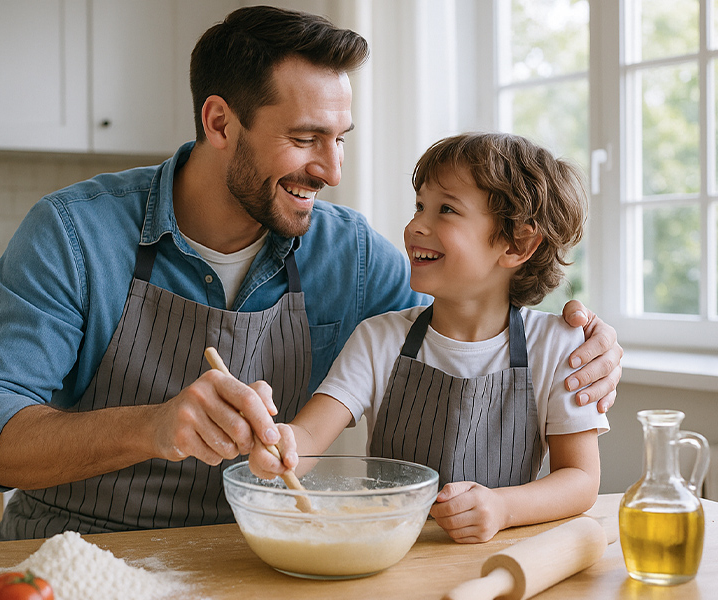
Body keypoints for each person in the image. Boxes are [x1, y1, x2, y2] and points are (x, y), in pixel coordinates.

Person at [0, 5, 623, 542]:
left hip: (257, 558)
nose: (330, 170)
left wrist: (587, 341)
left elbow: (467, 308)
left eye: (340, 140)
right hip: (77, 551)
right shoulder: (75, 233)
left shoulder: (349, 254)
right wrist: (153, 427)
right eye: (304, 139)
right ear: (219, 122)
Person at [250, 132, 607, 543]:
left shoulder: (557, 346)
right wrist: (277, 443)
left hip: (501, 558)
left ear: (518, 244)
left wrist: (503, 508)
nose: (416, 224)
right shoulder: (379, 339)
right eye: (420, 206)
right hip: (391, 556)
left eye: (447, 209)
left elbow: (580, 479)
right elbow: (309, 436)